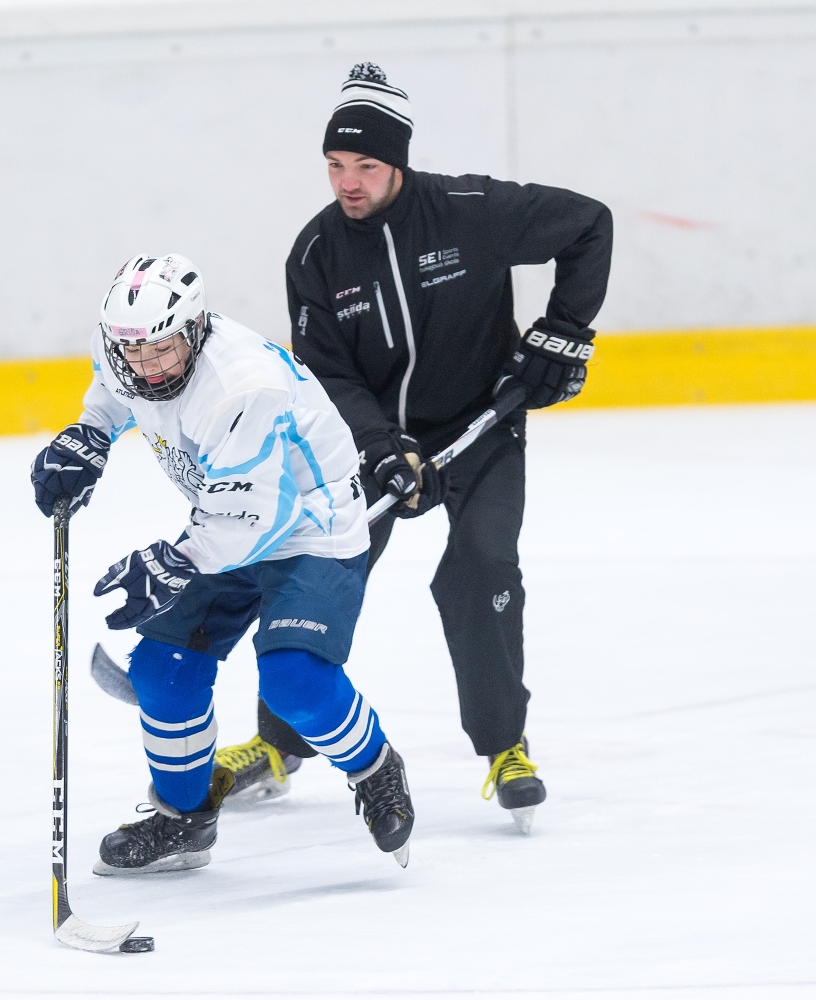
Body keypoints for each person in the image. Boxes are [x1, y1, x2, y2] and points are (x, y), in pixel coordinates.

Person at [212, 63, 614, 833]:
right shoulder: (315, 256)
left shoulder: (471, 211)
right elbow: (326, 373)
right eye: (335, 166)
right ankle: (277, 745)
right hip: (371, 447)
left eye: (364, 166)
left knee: (483, 565)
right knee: (317, 569)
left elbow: (590, 222)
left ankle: (505, 747)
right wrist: (379, 445)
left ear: (397, 161)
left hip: (483, 428)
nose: (348, 183)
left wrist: (565, 331)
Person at [29, 253, 416, 873]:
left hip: (309, 526)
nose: (148, 368)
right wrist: (90, 437)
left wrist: (170, 562)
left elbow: (250, 517)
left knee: (294, 680)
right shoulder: (127, 346)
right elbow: (112, 391)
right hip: (224, 521)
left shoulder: (242, 386)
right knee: (162, 668)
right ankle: (183, 821)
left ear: (196, 328)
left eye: (163, 352)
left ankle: (376, 767)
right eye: (135, 352)